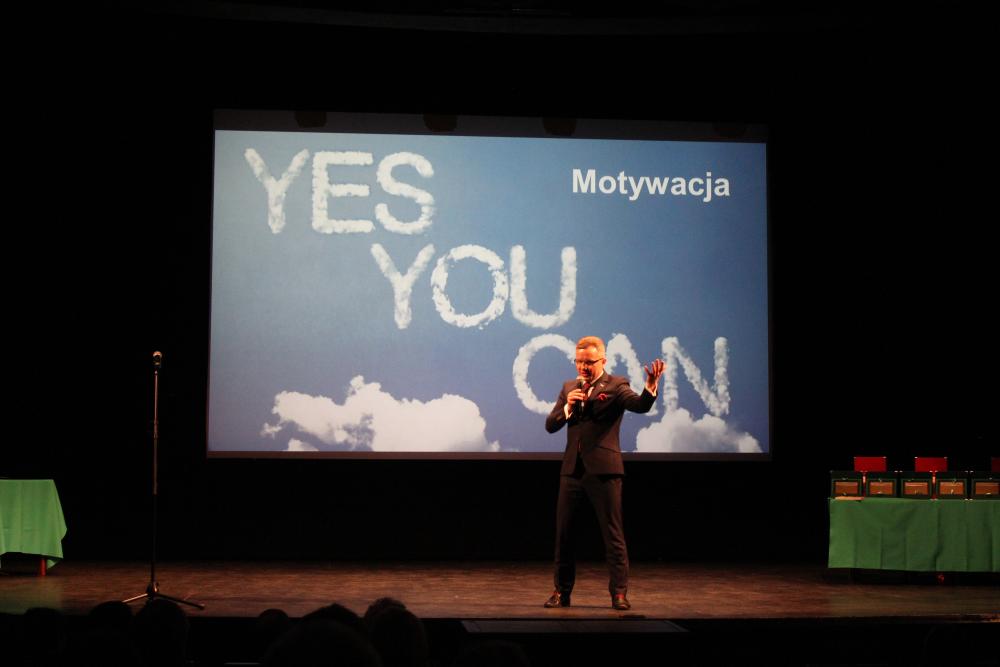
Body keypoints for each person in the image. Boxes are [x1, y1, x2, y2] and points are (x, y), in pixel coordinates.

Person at [543, 335, 664, 611]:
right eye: (579, 362)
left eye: (589, 362)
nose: (583, 367)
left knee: (612, 534)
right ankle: (561, 592)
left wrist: (650, 388)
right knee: (564, 534)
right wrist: (567, 407)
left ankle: (619, 594)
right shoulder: (569, 387)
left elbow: (639, 405)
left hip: (604, 471)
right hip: (572, 470)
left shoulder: (616, 385)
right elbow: (551, 425)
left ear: (603, 361)